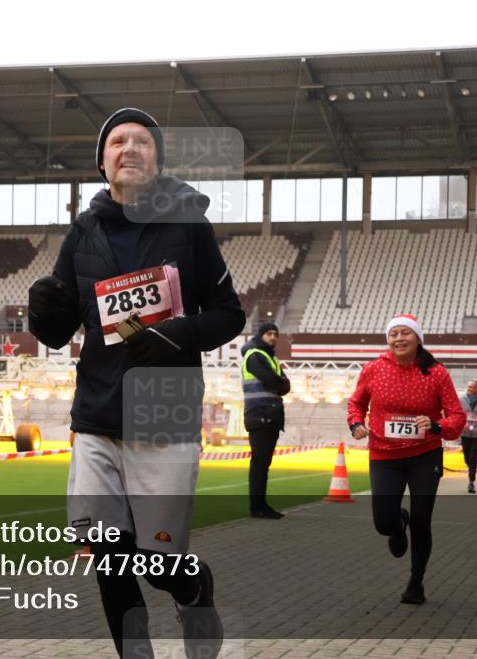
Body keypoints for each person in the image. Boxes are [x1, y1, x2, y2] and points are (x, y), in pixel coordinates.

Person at [28, 107, 245, 659]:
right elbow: (59, 330)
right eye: (117, 141)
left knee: (158, 562)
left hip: (163, 414)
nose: (130, 148)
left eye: (142, 141)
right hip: (96, 416)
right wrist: (41, 312)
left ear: (157, 159)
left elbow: (229, 315)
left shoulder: (188, 226)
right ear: (102, 162)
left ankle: (193, 587)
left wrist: (175, 334)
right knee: (107, 556)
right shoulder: (84, 231)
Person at [347, 314, 466, 605]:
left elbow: (457, 416)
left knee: (422, 521)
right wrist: (356, 423)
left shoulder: (437, 373)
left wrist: (437, 426)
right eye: (393, 334)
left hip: (424, 456)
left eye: (405, 333)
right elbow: (356, 403)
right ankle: (397, 523)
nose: (399, 339)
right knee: (383, 523)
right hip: (384, 455)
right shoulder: (374, 369)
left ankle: (416, 582)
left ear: (418, 338)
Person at [240, 321, 291, 519]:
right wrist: (280, 385)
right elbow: (274, 381)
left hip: (269, 415)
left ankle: (260, 505)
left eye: (275, 334)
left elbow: (285, 385)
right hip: (260, 414)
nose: (273, 337)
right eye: (269, 333)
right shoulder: (255, 356)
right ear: (261, 335)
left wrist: (280, 385)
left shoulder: (270, 357)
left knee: (262, 463)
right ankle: (257, 507)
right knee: (260, 463)